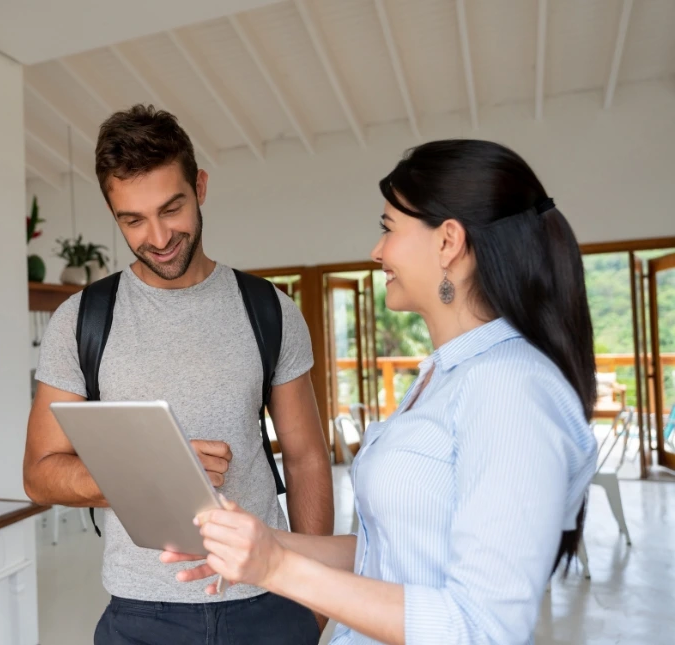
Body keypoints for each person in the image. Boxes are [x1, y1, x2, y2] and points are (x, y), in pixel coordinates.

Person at [170, 139, 598, 645]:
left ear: (448, 242)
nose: (377, 251)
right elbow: (387, 555)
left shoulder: (511, 388)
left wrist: (278, 567)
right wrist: (258, 544)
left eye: (388, 228)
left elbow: (482, 629)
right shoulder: (442, 377)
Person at [23, 104, 334, 644]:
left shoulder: (270, 309)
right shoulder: (81, 320)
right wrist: (156, 473)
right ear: (112, 213)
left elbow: (306, 455)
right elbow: (39, 475)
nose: (159, 236)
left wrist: (314, 593)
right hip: (141, 613)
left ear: (201, 187)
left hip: (265, 600)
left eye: (173, 208)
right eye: (133, 220)